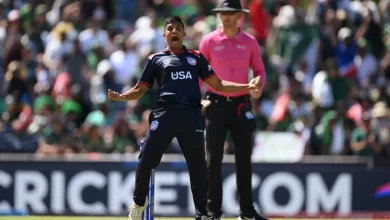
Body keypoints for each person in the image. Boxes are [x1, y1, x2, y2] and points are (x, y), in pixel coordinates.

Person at [107, 16, 263, 220]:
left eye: (178, 28)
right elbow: (139, 89)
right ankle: (138, 204)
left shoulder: (196, 58)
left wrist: (247, 86)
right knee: (146, 160)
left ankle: (202, 213)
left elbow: (219, 85)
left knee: (198, 166)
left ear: (183, 34)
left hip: (191, 116)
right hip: (165, 114)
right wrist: (122, 97)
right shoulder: (156, 59)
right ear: (165, 35)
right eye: (170, 28)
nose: (174, 31)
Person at [199, 0, 268, 220]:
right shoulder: (209, 40)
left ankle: (246, 211)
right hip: (215, 103)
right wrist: (194, 99)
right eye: (223, 13)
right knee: (213, 160)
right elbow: (200, 73)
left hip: (240, 104)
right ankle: (212, 212)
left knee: (244, 160)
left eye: (230, 13)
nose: (226, 17)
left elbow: (259, 70)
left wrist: (258, 87)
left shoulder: (249, 42)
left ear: (239, 15)